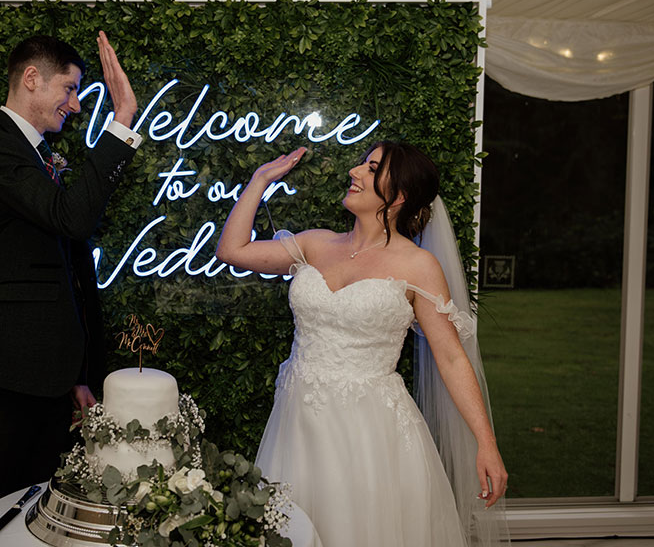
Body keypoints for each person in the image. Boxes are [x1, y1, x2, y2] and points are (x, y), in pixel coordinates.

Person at [215, 141, 509, 547]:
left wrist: (486, 443)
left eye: (372, 169)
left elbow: (452, 358)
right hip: (298, 423)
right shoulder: (315, 245)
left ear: (399, 196)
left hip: (371, 433)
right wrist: (260, 179)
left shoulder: (418, 266)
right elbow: (232, 250)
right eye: (362, 164)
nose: (355, 171)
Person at [0, 33, 141, 547]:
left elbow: (63, 275)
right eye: (70, 89)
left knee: (32, 520)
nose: (74, 105)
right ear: (32, 78)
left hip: (43, 377)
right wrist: (122, 119)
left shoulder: (39, 154)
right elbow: (71, 219)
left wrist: (75, 372)